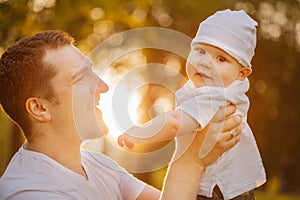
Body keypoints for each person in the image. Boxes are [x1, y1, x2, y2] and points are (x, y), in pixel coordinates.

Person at [0, 30, 242, 199]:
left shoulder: (97, 165)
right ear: (39, 108)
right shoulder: (31, 193)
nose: (103, 86)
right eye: (81, 79)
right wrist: (192, 159)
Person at [117, 9, 266, 200]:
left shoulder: (215, 95)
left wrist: (140, 134)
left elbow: (174, 122)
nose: (205, 62)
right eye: (201, 51)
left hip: (218, 191)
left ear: (242, 73)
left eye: (221, 59)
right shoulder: (216, 87)